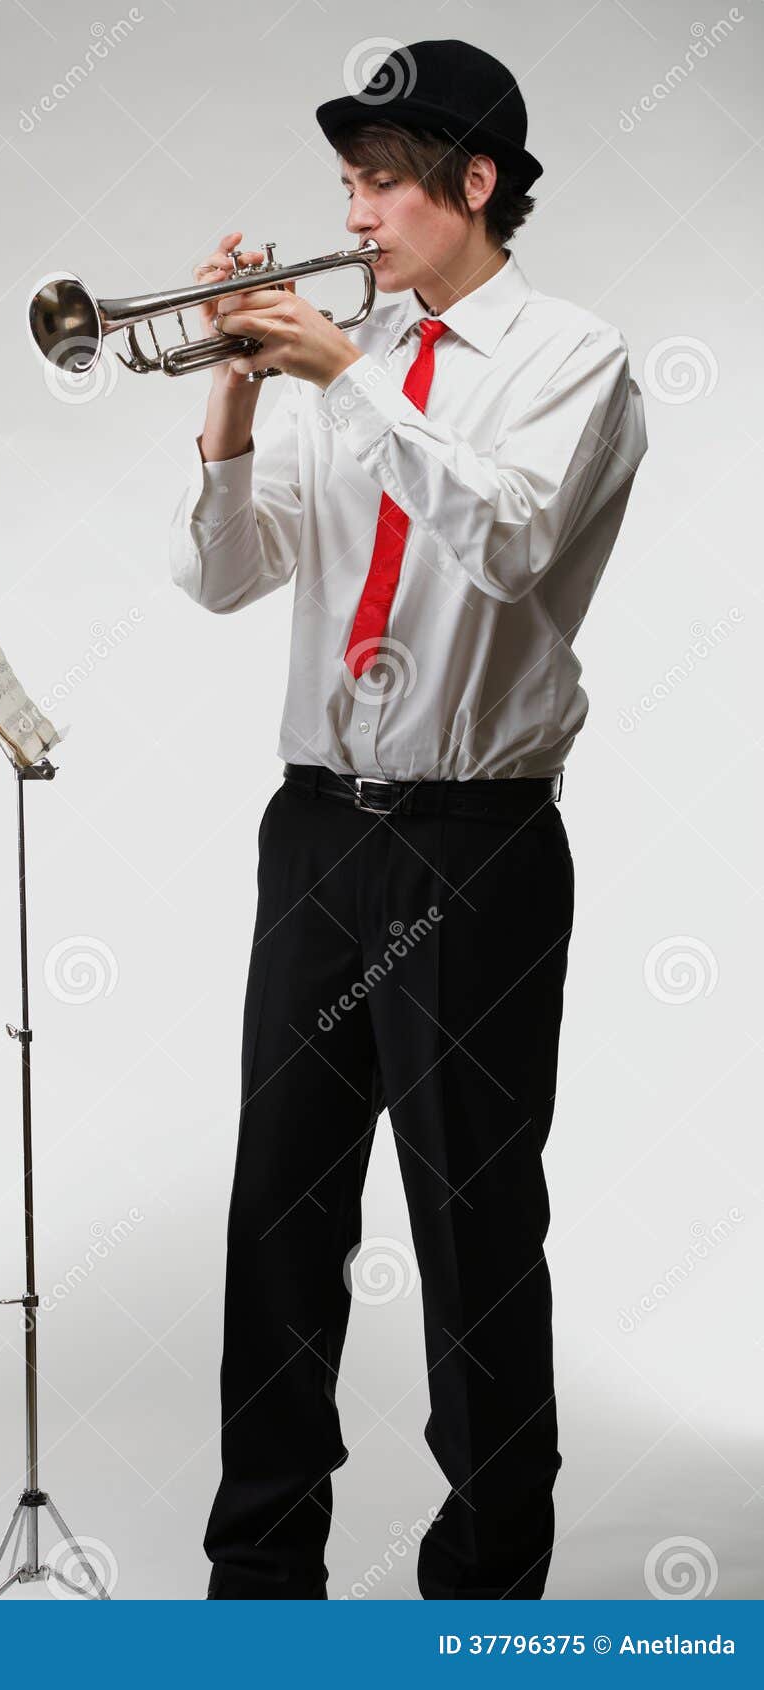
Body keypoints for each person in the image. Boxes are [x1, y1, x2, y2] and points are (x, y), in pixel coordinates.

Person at [169, 38, 648, 1601]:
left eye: (382, 181)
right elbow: (233, 576)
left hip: (477, 845)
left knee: (474, 1223)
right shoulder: (339, 361)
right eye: (348, 184)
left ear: (477, 180)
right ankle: (259, 1591)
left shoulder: (571, 354)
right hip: (318, 833)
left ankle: (486, 1601)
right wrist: (240, 393)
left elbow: (509, 540)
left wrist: (347, 373)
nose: (356, 215)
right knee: (279, 1223)